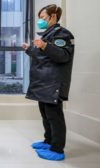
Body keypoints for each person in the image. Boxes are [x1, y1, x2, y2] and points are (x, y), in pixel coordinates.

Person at [22, 4, 75, 161]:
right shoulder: (48, 34)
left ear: (53, 16)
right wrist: (29, 49)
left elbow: (63, 56)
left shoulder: (63, 34)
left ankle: (57, 149)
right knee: (45, 114)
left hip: (53, 83)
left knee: (54, 116)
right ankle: (49, 141)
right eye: (40, 18)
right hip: (44, 83)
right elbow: (43, 57)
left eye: (43, 17)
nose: (40, 21)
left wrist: (45, 45)